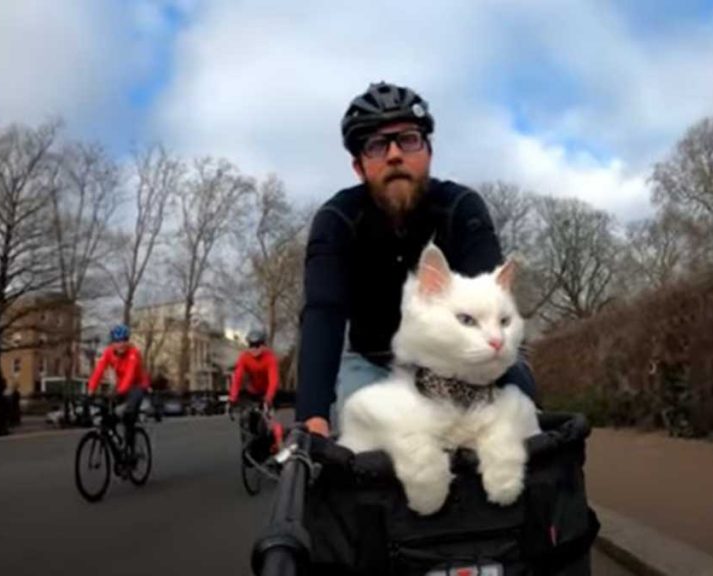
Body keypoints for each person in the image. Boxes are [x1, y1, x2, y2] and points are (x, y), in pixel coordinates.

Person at [296, 81, 538, 437]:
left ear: (428, 152)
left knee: (521, 417)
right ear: (359, 167)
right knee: (362, 445)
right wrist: (312, 415)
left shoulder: (461, 208)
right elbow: (323, 313)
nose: (394, 154)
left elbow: (491, 304)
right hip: (371, 361)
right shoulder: (337, 220)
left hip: (456, 361)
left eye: (408, 139)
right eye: (376, 145)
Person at [87, 324, 151, 462]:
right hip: (122, 386)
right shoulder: (108, 352)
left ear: (128, 341)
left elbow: (130, 375)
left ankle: (131, 450)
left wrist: (119, 392)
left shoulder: (134, 353)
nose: (120, 344)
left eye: (123, 340)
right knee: (109, 416)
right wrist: (91, 390)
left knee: (128, 415)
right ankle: (119, 443)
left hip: (137, 385)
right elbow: (99, 370)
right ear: (113, 343)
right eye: (117, 341)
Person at [229, 329, 283, 453]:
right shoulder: (244, 357)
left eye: (257, 345)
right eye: (251, 345)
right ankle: (252, 445)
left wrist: (268, 398)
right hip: (252, 391)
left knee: (270, 418)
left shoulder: (270, 358)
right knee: (250, 417)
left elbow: (274, 380)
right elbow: (237, 377)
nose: (254, 349)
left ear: (263, 345)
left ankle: (279, 445)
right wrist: (232, 398)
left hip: (267, 391)